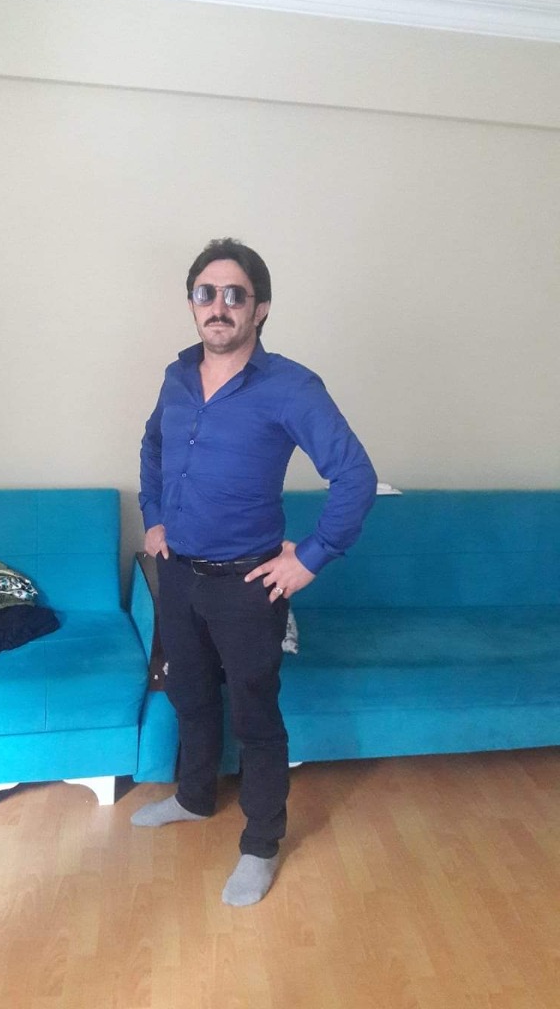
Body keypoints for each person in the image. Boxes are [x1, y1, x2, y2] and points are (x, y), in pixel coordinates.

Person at [132, 238, 377, 906]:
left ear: (259, 308)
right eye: (205, 293)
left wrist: (310, 557)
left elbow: (355, 476)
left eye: (234, 294)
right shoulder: (177, 376)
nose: (219, 306)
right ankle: (193, 796)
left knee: (255, 716)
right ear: (192, 304)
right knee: (188, 693)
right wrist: (154, 516)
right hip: (178, 574)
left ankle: (262, 844)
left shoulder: (291, 387)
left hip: (249, 584)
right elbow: (152, 444)